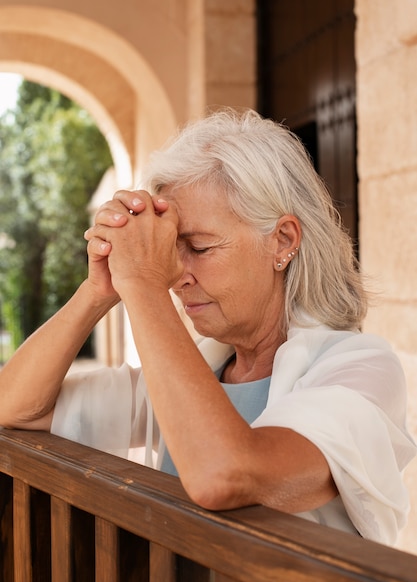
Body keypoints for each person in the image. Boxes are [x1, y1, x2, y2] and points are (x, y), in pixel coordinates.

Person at [0, 109, 415, 546]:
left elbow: (225, 474)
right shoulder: (196, 370)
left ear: (284, 240)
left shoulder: (361, 370)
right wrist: (99, 289)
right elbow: (14, 406)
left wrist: (143, 283)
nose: (177, 275)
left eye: (198, 246)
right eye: (170, 251)